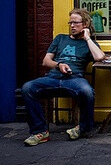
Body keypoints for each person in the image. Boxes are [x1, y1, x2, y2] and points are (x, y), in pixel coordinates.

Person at [21, 8, 106, 146]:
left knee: (87, 91)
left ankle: (82, 128)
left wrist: (88, 38)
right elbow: (46, 61)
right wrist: (59, 64)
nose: (72, 26)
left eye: (75, 22)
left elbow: (100, 57)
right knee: (27, 88)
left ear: (85, 24)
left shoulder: (88, 44)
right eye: (70, 22)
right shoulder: (60, 38)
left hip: (74, 79)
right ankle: (40, 132)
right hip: (53, 77)